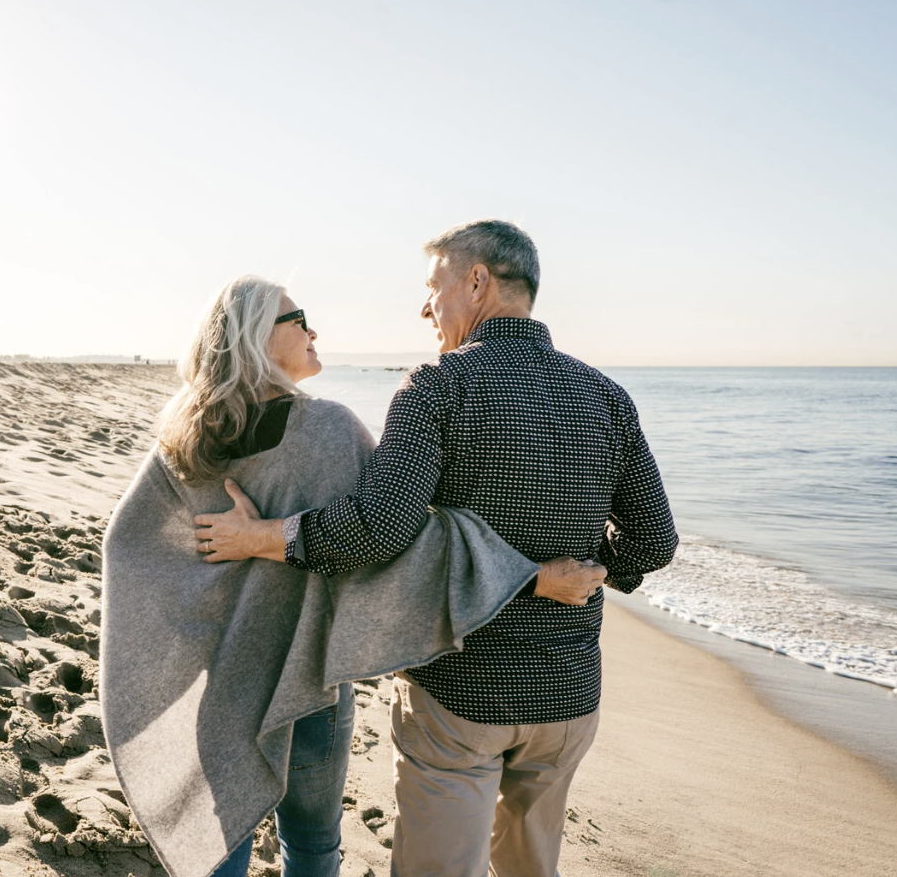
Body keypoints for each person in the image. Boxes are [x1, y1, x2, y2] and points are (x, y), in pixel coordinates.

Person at [192, 221, 679, 877]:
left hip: (460, 692)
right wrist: (596, 569)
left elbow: (380, 528)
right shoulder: (607, 397)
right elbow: (654, 540)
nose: (426, 306)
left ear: (477, 281)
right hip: (567, 693)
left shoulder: (438, 386)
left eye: (434, 286)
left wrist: (267, 536)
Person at [100, 274, 604, 877]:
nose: (313, 330)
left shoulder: (184, 435)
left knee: (219, 843)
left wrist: (203, 606)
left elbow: (127, 547)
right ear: (257, 337)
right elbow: (400, 542)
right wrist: (532, 577)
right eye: (298, 318)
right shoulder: (329, 430)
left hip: (222, 677)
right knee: (311, 845)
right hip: (308, 675)